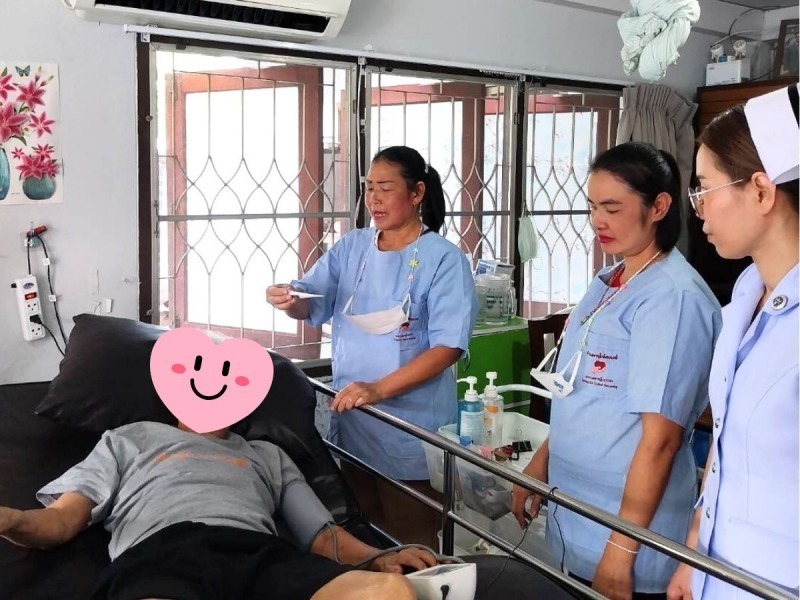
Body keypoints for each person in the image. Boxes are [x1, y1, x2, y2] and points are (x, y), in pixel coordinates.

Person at [511, 142, 722, 600]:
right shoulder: (607, 283)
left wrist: (622, 550)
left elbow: (661, 440)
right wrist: (539, 465)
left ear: (659, 207)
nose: (597, 221)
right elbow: (581, 395)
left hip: (629, 538)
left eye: (612, 208)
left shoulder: (672, 299)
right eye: (592, 207)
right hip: (578, 514)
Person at [267, 146, 477, 548]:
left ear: (417, 193)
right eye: (369, 188)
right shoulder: (353, 247)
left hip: (412, 427)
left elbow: (448, 347)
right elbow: (311, 301)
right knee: (362, 529)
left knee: (411, 537)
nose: (374, 199)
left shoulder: (444, 260)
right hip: (357, 417)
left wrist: (379, 389)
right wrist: (289, 300)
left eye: (386, 188)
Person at [0, 420, 438, 600]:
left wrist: (381, 558)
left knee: (392, 593)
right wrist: (14, 520)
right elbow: (62, 520)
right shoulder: (129, 438)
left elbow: (322, 536)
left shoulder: (267, 454)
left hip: (259, 553)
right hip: (164, 551)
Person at [666, 85, 799, 600]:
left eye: (704, 188)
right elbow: (723, 448)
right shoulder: (745, 295)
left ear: (761, 191)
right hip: (718, 571)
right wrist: (694, 556)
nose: (698, 210)